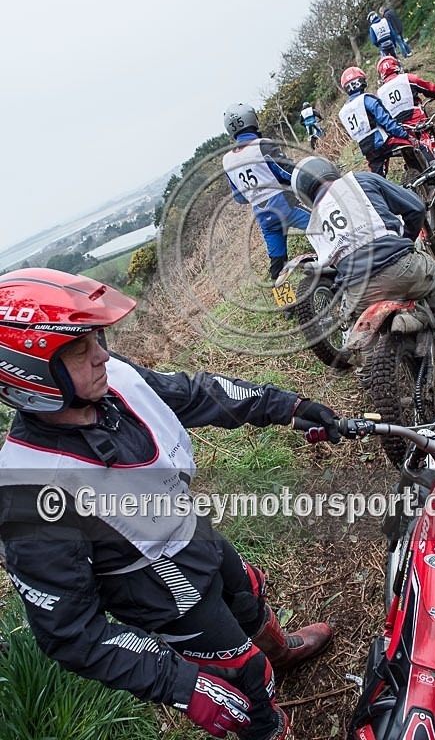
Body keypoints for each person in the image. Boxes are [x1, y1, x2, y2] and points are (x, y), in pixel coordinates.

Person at [0, 268, 340, 740]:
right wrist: (180, 683)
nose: (102, 355)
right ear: (33, 376)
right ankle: (268, 724)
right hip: (160, 591)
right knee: (240, 680)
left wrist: (287, 406)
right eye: (80, 349)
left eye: (98, 337)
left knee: (246, 593)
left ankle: (281, 653)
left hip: (188, 530)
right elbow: (69, 631)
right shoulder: (28, 487)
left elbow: (194, 394)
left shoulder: (110, 380)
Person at [290, 156, 435, 347]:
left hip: (358, 291)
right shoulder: (361, 180)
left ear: (304, 194)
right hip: (400, 268)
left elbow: (332, 263)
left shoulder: (313, 223)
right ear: (328, 169)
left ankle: (365, 366)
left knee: (362, 345)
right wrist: (406, 239)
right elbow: (415, 208)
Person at [222, 102, 310, 285]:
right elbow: (287, 172)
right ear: (252, 119)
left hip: (263, 216)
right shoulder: (263, 145)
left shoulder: (227, 160)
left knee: (277, 261)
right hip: (287, 206)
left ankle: (286, 304)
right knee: (322, 225)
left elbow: (239, 197)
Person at [338, 66, 416, 178]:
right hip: (384, 142)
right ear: (362, 81)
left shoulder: (343, 112)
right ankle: (432, 173)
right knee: (417, 145)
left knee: (378, 180)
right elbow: (386, 121)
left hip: (368, 149)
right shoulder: (367, 99)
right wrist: (405, 134)